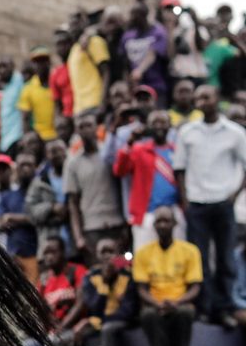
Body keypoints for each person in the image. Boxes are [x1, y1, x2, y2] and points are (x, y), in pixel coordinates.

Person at [175, 85, 246, 327]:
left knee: (226, 258)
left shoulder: (235, 133)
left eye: (206, 96)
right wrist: (185, 201)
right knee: (200, 260)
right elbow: (180, 170)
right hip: (197, 204)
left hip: (223, 203)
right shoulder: (187, 132)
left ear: (217, 99)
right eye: (198, 98)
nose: (201, 101)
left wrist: (234, 195)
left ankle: (226, 308)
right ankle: (205, 308)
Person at [133, 206, 202, 346]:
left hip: (180, 303)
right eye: (159, 222)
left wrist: (176, 302)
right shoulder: (143, 253)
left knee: (184, 314)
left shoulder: (190, 251)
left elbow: (195, 287)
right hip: (155, 305)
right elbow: (141, 289)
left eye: (166, 221)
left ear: (175, 224)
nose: (163, 225)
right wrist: (158, 304)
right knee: (148, 316)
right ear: (154, 226)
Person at [81, 238, 139, 346]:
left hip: (118, 323)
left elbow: (129, 311)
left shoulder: (128, 275)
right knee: (65, 339)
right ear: (97, 256)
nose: (107, 256)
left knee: (108, 329)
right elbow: (93, 308)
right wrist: (105, 284)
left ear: (118, 254)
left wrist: (103, 320)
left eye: (110, 251)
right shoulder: (91, 277)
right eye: (103, 252)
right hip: (98, 322)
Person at [113, 110, 183, 251]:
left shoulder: (177, 151)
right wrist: (130, 142)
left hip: (173, 211)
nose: (158, 126)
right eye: (154, 123)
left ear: (170, 126)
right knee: (144, 255)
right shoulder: (139, 150)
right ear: (148, 126)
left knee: (177, 254)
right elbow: (120, 170)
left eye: (162, 122)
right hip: (146, 213)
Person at [65, 113, 127, 264]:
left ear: (97, 128)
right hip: (92, 228)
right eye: (81, 127)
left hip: (116, 223)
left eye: (89, 125)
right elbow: (73, 203)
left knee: (121, 270)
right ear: (76, 131)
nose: (86, 130)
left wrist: (127, 224)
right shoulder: (73, 163)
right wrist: (78, 236)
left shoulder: (109, 153)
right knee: (97, 274)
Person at [0, 152, 40, 286]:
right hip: (14, 257)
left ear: (35, 168)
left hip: (36, 255)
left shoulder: (41, 192)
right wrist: (27, 220)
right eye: (22, 165)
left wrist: (12, 218)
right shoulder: (7, 196)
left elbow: (39, 219)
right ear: (16, 169)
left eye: (29, 165)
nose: (25, 168)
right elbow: (0, 223)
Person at [26, 139, 71, 255]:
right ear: (46, 155)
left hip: (74, 239)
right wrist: (51, 207)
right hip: (49, 242)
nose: (56, 155)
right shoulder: (40, 182)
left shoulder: (75, 175)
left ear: (66, 152)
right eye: (52, 151)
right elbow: (30, 212)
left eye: (59, 150)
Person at [121, 2, 170, 106]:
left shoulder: (157, 31)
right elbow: (125, 62)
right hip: (135, 87)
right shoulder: (127, 35)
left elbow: (152, 54)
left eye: (136, 15)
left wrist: (139, 71)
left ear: (144, 15)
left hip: (155, 84)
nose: (132, 18)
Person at [67, 14, 111, 116]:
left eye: (76, 24)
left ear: (84, 24)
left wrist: (102, 102)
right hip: (79, 108)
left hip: (94, 103)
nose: (73, 28)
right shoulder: (74, 49)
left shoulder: (94, 42)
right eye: (71, 25)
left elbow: (106, 72)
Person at [18, 46, 57, 141]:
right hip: (39, 138)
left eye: (43, 61)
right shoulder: (28, 88)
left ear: (49, 62)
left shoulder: (57, 82)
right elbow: (25, 119)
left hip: (58, 134)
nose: (40, 65)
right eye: (37, 62)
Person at [0, 56, 25, 154]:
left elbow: (23, 109)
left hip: (16, 136)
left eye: (5, 67)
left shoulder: (19, 80)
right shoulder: (6, 87)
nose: (2, 71)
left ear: (12, 67)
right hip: (5, 139)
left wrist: (23, 135)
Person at [50, 29, 74, 118]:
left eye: (64, 43)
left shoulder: (79, 65)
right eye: (58, 44)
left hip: (84, 112)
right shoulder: (55, 73)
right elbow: (57, 102)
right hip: (67, 117)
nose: (61, 47)